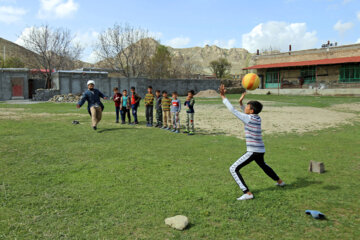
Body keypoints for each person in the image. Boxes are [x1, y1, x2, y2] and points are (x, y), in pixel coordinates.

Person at [219, 84, 285, 200]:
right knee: (264, 166)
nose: (245, 108)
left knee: (233, 168)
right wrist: (241, 103)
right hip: (260, 150)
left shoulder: (248, 118)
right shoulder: (256, 117)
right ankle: (280, 181)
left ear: (252, 110)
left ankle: (247, 193)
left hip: (253, 151)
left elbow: (233, 111)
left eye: (247, 107)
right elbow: (244, 114)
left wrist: (223, 96)